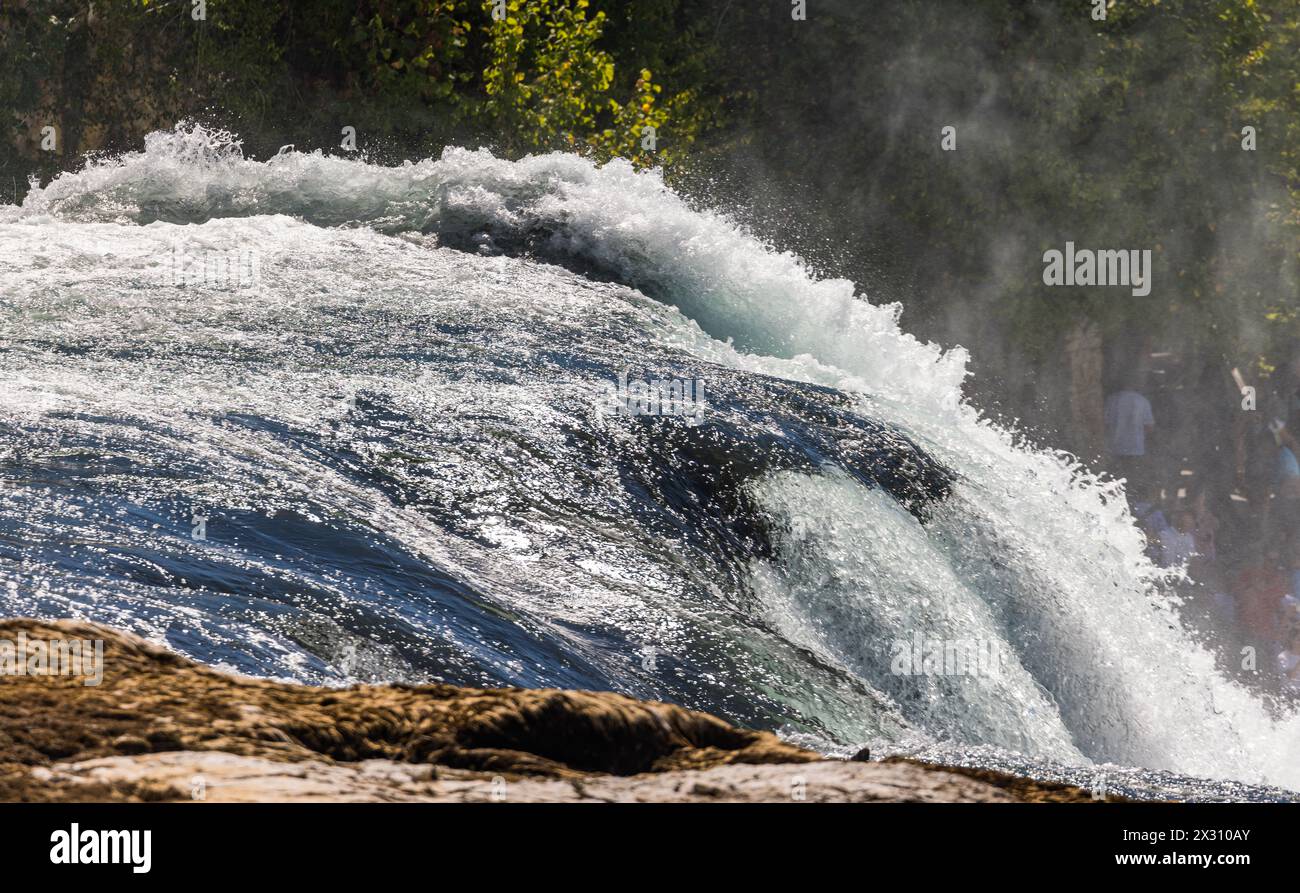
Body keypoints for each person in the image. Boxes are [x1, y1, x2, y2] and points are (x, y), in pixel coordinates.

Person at [1104, 381, 1155, 495]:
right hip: (1136, 448)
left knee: (1114, 478)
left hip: (1115, 446)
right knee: (1132, 478)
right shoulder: (1142, 401)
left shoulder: (1112, 400)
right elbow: (1149, 426)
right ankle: (1131, 497)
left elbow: (1105, 423)